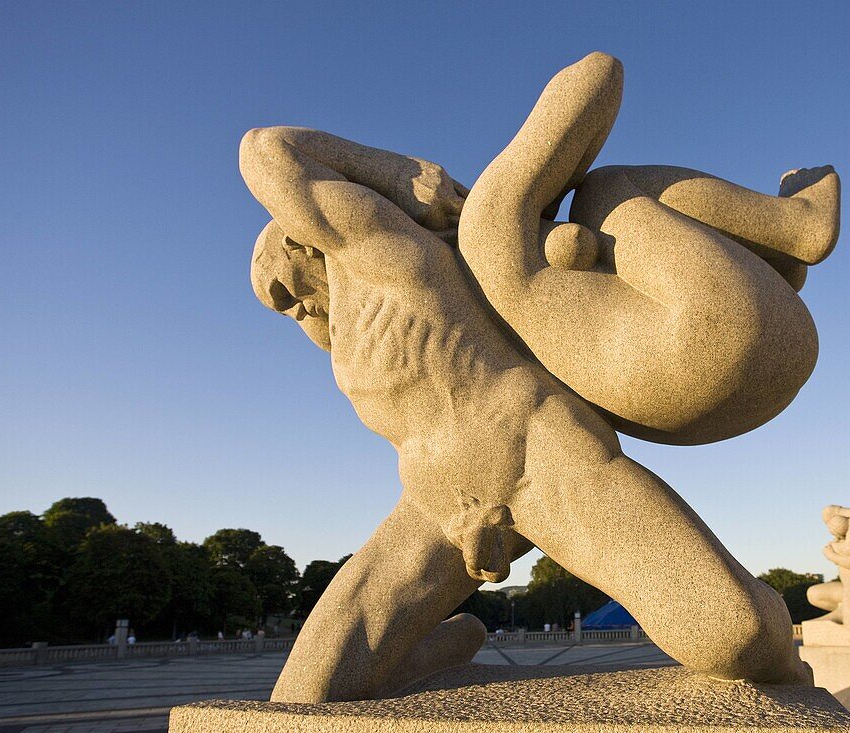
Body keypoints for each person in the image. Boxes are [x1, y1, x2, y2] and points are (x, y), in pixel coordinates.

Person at [241, 52, 808, 704]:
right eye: (279, 308)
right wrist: (455, 512)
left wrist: (393, 172)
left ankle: (777, 642)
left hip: (538, 457)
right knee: (308, 689)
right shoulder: (348, 352)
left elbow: (265, 149)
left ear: (307, 240)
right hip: (439, 508)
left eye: (284, 287)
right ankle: (439, 646)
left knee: (738, 640)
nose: (294, 309)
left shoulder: (378, 252)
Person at [459, 53, 839, 446]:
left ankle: (776, 258)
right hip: (721, 330)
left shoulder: (482, 313)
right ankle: (796, 224)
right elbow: (598, 74)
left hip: (687, 413)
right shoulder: (485, 229)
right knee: (604, 188)